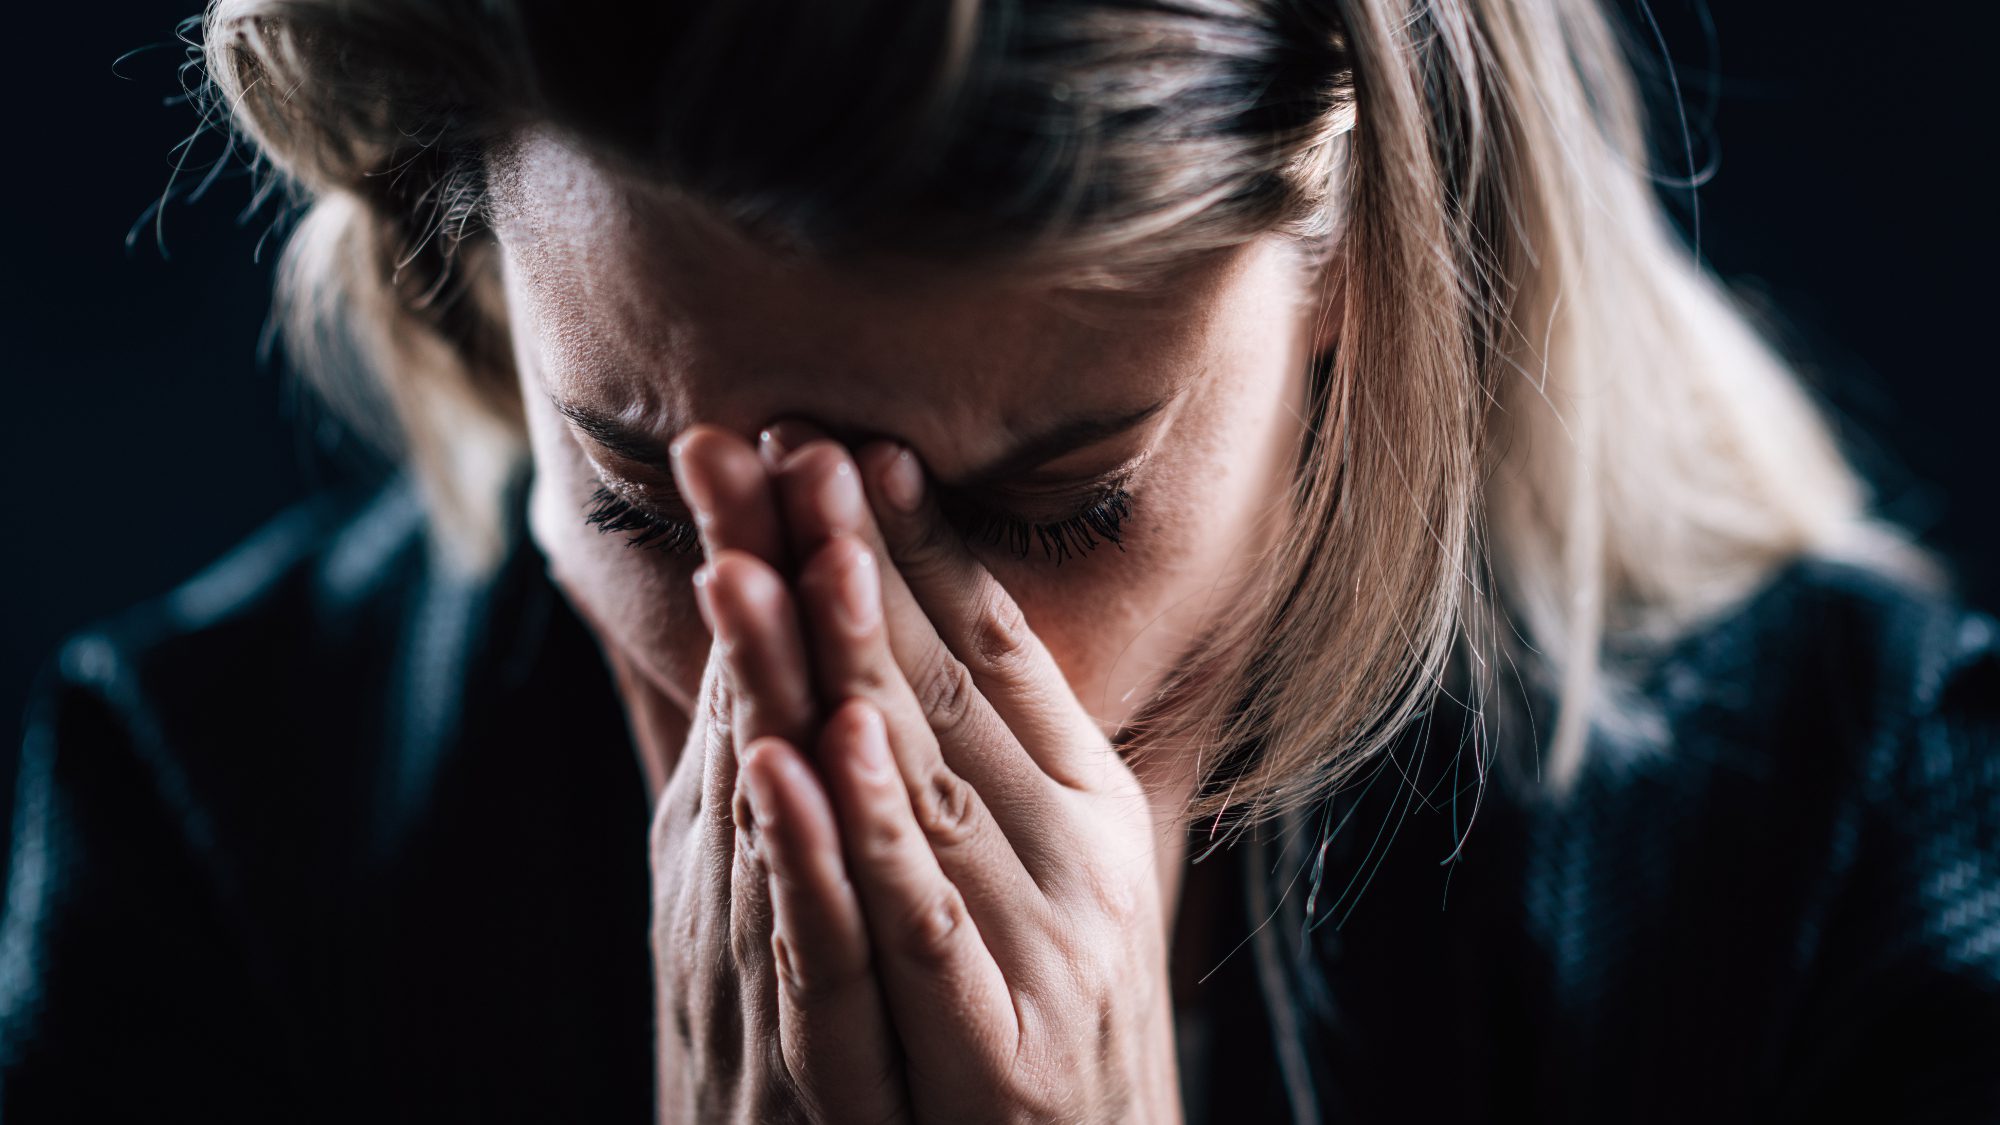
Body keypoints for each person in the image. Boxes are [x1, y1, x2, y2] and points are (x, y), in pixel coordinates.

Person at [4, 0, 1995, 1120]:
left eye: (1055, 502)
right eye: (650, 496)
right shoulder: (208, 829)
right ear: (467, 307)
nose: (849, 676)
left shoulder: (1851, 821)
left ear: (1354, 274)